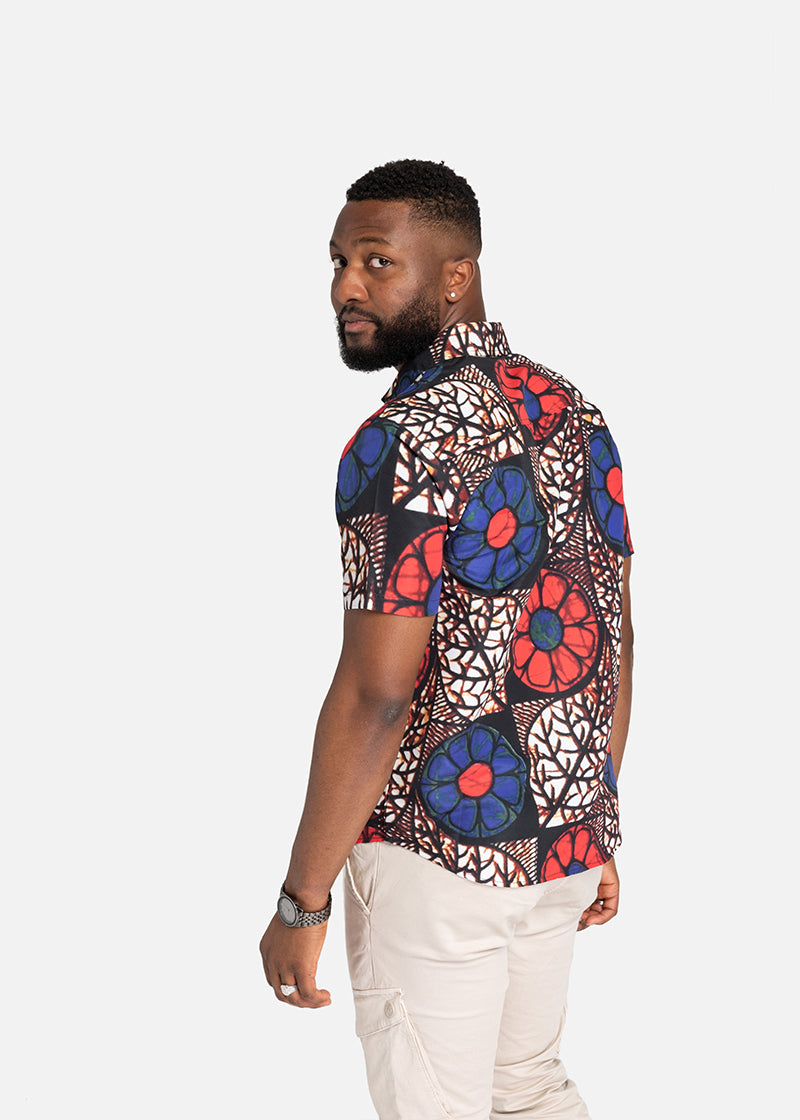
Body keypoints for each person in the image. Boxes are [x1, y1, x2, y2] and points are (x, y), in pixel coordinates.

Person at [259, 159, 634, 1120]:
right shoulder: (571, 411)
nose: (347, 287)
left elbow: (376, 693)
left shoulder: (402, 440)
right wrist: (591, 821)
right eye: (339, 262)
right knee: (529, 1089)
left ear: (456, 273)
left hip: (436, 857)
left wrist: (303, 900)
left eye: (378, 262)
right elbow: (612, 635)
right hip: (558, 845)